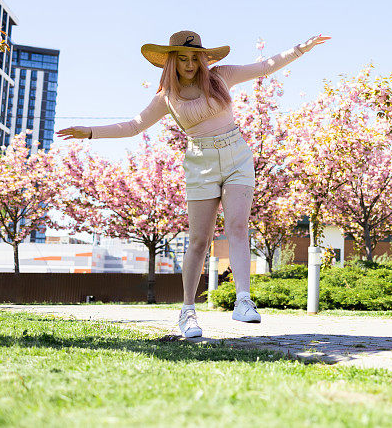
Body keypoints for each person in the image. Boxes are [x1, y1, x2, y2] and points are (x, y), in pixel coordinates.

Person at [57, 30, 330, 338]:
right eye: (182, 59)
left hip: (237, 155)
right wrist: (90, 132)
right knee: (199, 240)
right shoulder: (167, 97)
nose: (189, 65)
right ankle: (188, 311)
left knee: (238, 227)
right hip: (201, 164)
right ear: (172, 62)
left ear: (203, 59)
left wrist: (301, 49)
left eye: (194, 58)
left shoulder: (221, 77)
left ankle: (243, 300)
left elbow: (265, 67)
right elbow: (134, 126)